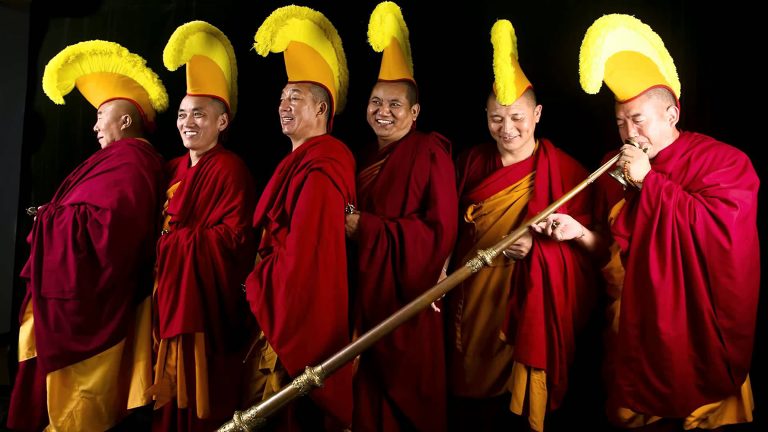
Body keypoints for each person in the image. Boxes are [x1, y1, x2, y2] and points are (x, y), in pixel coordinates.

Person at [540, 13, 760, 429]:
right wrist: (579, 233)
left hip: (694, 335)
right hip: (634, 334)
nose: (629, 133)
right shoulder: (612, 167)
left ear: (672, 115)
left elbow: (722, 241)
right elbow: (614, 254)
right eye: (620, 122)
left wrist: (649, 181)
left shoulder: (723, 162)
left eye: (638, 119)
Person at [7, 40, 167, 431]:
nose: (94, 126)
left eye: (100, 115)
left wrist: (52, 220)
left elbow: (113, 230)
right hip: (72, 284)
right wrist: (54, 217)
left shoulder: (134, 161)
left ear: (125, 121)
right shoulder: (115, 160)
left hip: (96, 302)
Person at [444, 19, 596, 432]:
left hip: (527, 305)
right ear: (485, 116)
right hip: (471, 302)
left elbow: (596, 257)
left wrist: (541, 250)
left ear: (538, 114)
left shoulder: (567, 173)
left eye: (516, 117)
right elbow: (446, 230)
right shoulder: (470, 163)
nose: (507, 128)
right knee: (467, 400)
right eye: (496, 118)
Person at [344, 3, 458, 431]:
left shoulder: (429, 152)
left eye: (395, 104)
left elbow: (440, 233)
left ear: (415, 113)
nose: (383, 111)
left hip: (408, 307)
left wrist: (367, 228)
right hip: (361, 299)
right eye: (376, 102)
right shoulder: (360, 158)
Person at [244, 5, 356, 430]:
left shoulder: (325, 165)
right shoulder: (299, 160)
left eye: (295, 98)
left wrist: (261, 281)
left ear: (322, 108)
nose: (283, 106)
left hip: (293, 310)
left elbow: (308, 258)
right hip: (275, 301)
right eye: (281, 98)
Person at [148, 21, 257, 431]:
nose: (187, 122)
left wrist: (175, 244)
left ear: (222, 122)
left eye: (199, 114)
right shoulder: (171, 168)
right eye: (182, 114)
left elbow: (236, 240)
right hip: (164, 294)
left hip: (202, 307)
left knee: (199, 402)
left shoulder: (230, 169)